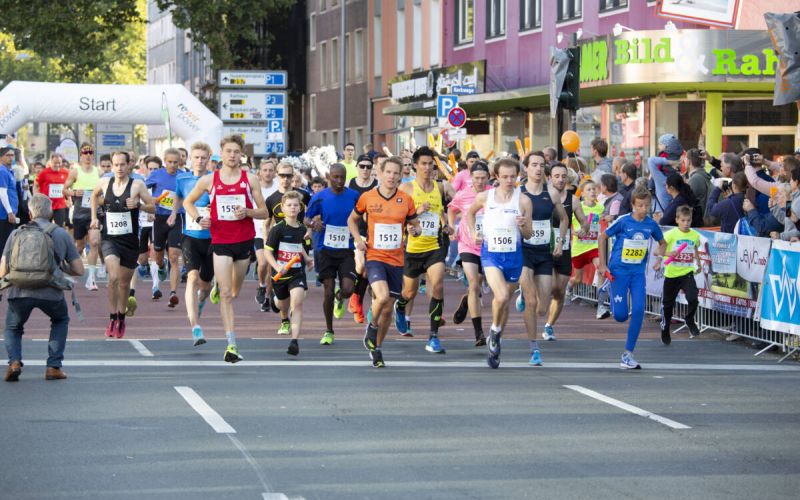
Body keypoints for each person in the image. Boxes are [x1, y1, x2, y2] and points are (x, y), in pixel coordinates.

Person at [183, 135, 268, 363]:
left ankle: (219, 290)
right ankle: (231, 344)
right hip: (220, 242)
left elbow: (265, 212)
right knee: (228, 295)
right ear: (222, 153)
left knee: (235, 292)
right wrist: (199, 218)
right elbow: (187, 202)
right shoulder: (209, 180)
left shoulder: (250, 180)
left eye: (236, 151)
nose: (232, 155)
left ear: (242, 154)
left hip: (244, 242)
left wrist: (248, 212)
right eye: (228, 151)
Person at [1, 194, 84, 381]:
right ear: (51, 212)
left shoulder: (16, 233)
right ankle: (53, 366)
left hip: (19, 290)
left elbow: (2, 270)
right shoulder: (60, 233)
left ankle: (14, 362)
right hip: (50, 290)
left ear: (30, 213)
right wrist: (62, 266)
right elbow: (78, 270)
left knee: (13, 327)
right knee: (60, 319)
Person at [348, 156, 420, 368]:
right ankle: (371, 327)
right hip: (375, 257)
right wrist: (358, 239)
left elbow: (416, 224)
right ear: (379, 174)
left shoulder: (406, 200)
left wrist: (415, 230)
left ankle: (377, 348)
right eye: (388, 172)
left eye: (396, 173)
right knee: (382, 296)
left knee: (388, 308)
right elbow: (351, 219)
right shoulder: (368, 197)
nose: (391, 176)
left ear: (400, 176)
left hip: (396, 260)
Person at [465, 158, 533, 369]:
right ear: (496, 177)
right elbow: (469, 213)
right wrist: (474, 231)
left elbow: (529, 234)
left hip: (514, 255)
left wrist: (523, 226)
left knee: (504, 303)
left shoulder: (523, 201)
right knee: (501, 295)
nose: (509, 181)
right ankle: (494, 332)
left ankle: (496, 340)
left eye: (513, 177)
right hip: (491, 253)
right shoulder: (486, 197)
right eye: (504, 177)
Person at [393, 146, 456, 354]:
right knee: (409, 292)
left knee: (437, 286)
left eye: (430, 164)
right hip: (412, 249)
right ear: (415, 166)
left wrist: (447, 225)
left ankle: (433, 336)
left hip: (434, 246)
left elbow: (443, 212)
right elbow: (396, 218)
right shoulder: (407, 189)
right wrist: (415, 214)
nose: (427, 168)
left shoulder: (441, 187)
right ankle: (400, 306)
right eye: (423, 164)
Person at [597, 186, 667, 370]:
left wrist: (659, 257)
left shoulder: (651, 224)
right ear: (633, 205)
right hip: (618, 272)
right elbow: (602, 237)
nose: (644, 209)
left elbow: (662, 243)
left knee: (638, 311)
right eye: (640, 205)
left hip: (637, 274)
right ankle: (606, 288)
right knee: (620, 316)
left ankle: (628, 354)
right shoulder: (623, 221)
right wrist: (603, 265)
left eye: (647, 205)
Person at [90, 152, 156, 339]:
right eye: (116, 165)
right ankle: (112, 317)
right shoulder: (105, 183)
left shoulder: (137, 185)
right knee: (113, 278)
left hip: (129, 241)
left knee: (125, 283)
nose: (119, 168)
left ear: (129, 166)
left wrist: (139, 205)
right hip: (110, 238)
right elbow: (94, 196)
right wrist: (94, 218)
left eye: (122, 165)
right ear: (111, 166)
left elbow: (152, 207)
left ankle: (121, 316)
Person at [516, 152, 569, 363]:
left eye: (541, 165)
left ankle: (523, 295)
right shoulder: (517, 193)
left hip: (544, 254)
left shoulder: (552, 194)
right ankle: (534, 348)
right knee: (530, 301)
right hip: (524, 252)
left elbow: (564, 219)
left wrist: (559, 242)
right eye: (534, 165)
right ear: (526, 168)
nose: (538, 169)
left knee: (542, 308)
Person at [305, 163, 360, 345]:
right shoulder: (320, 197)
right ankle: (329, 330)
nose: (338, 181)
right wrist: (313, 224)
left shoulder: (353, 196)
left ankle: (340, 298)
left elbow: (362, 215)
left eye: (342, 177)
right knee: (327, 292)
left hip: (345, 250)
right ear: (329, 177)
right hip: (325, 249)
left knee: (348, 289)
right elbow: (306, 217)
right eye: (335, 177)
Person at [542, 163, 590, 341]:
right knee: (546, 288)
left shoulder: (573, 200)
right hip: (543, 248)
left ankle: (549, 326)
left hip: (563, 250)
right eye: (556, 176)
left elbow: (583, 221)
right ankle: (526, 291)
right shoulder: (542, 196)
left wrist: (584, 228)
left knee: (559, 291)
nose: (560, 179)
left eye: (563, 176)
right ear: (550, 178)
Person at [172, 142, 214, 346]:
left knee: (206, 286)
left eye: (203, 157)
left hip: (212, 238)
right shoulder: (182, 179)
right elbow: (179, 199)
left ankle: (202, 300)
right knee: (192, 277)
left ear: (209, 159)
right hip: (190, 235)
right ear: (190, 159)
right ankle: (195, 327)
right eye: (196, 157)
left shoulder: (215, 180)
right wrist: (173, 214)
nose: (199, 161)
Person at [447, 161, 490, 345]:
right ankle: (478, 332)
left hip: (488, 246)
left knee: (478, 285)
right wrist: (451, 227)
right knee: (473, 283)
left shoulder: (493, 194)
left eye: (483, 178)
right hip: (468, 244)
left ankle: (466, 300)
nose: (479, 182)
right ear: (471, 178)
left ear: (489, 177)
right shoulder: (463, 194)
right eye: (476, 178)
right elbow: (451, 208)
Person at [265, 161, 311, 333]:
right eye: (282, 175)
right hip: (279, 243)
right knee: (277, 278)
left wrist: (310, 229)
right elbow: (267, 222)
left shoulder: (303, 196)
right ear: (277, 176)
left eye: (289, 175)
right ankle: (283, 314)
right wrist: (266, 239)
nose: (285, 179)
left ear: (293, 177)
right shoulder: (271, 199)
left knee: (298, 279)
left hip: (299, 240)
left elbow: (311, 216)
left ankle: (294, 303)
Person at [266, 191, 314, 355]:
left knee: (298, 302)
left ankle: (294, 341)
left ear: (300, 208)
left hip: (296, 273)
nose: (293, 208)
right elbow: (268, 253)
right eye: (289, 205)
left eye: (296, 205)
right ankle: (277, 304)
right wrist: (277, 267)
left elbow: (298, 247)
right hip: (280, 274)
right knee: (282, 304)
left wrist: (307, 259)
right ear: (283, 208)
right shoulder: (277, 229)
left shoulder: (302, 229)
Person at [660, 205, 702, 345]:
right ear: (677, 220)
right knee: (668, 305)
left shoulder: (694, 235)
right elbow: (657, 251)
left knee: (693, 297)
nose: (686, 223)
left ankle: (689, 319)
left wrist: (699, 263)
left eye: (688, 220)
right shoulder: (671, 234)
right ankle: (665, 328)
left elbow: (695, 248)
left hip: (686, 272)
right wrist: (668, 254)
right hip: (672, 274)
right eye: (683, 220)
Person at [145, 148, 183, 304]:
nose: (173, 165)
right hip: (159, 218)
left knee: (174, 257)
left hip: (177, 218)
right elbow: (142, 190)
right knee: (158, 255)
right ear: (165, 161)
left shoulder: (183, 176)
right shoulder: (156, 174)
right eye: (170, 162)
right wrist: (151, 200)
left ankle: (173, 293)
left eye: (176, 162)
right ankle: (161, 267)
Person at [65, 143, 102, 291]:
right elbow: (65, 189)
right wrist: (74, 193)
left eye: (90, 152)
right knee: (79, 246)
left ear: (93, 155)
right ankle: (68, 271)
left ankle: (91, 279)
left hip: (95, 213)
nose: (88, 155)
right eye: (85, 152)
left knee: (94, 242)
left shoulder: (98, 172)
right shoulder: (75, 172)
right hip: (80, 213)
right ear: (81, 155)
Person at [347, 154, 379, 323]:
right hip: (356, 231)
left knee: (367, 271)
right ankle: (355, 299)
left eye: (368, 166)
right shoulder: (350, 184)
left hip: (374, 232)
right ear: (357, 167)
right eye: (362, 166)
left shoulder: (376, 185)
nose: (365, 169)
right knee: (360, 265)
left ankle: (357, 299)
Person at [566, 178, 604, 300]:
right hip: (579, 248)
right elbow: (570, 227)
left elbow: (602, 224)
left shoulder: (600, 208)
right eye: (589, 189)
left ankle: (601, 301)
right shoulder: (577, 207)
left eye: (594, 189)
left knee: (600, 268)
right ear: (582, 193)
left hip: (593, 247)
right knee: (577, 279)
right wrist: (576, 232)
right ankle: (569, 287)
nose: (592, 191)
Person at [253, 159, 279, 311]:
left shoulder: (278, 187)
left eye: (271, 170)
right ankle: (262, 286)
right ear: (260, 172)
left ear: (274, 172)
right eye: (265, 170)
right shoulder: (255, 188)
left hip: (275, 232)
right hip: (258, 230)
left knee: (271, 267)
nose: (268, 173)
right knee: (262, 263)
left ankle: (268, 297)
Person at [34, 153, 70, 227]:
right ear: (51, 162)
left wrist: (69, 199)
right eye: (55, 163)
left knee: (59, 227)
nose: (57, 165)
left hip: (60, 205)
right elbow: (35, 185)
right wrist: (36, 198)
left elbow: (67, 187)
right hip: (46, 205)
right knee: (45, 227)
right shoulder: (44, 172)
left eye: (59, 163)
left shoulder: (66, 172)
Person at [0, 146, 19, 254]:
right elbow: (2, 193)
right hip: (4, 214)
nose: (11, 158)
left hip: (9, 213)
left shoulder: (9, 171)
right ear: (1, 157)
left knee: (7, 244)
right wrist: (10, 212)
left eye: (12, 155)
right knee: (4, 244)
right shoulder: (2, 171)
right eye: (8, 155)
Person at [684, 149, 712, 222]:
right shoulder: (701, 175)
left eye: (685, 159)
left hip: (699, 222)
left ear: (689, 161)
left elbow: (685, 201)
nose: (683, 161)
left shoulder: (695, 179)